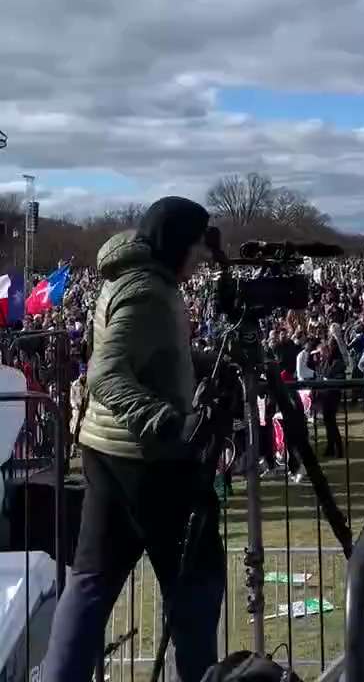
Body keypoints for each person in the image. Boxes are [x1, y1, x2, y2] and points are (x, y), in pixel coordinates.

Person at [44, 197, 225, 682]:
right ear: (175, 246)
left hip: (107, 451)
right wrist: (166, 420)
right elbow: (106, 372)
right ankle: (199, 673)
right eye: (195, 248)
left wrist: (197, 361)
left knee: (90, 581)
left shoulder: (129, 278)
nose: (200, 260)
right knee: (197, 578)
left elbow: (148, 350)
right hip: (148, 461)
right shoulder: (149, 291)